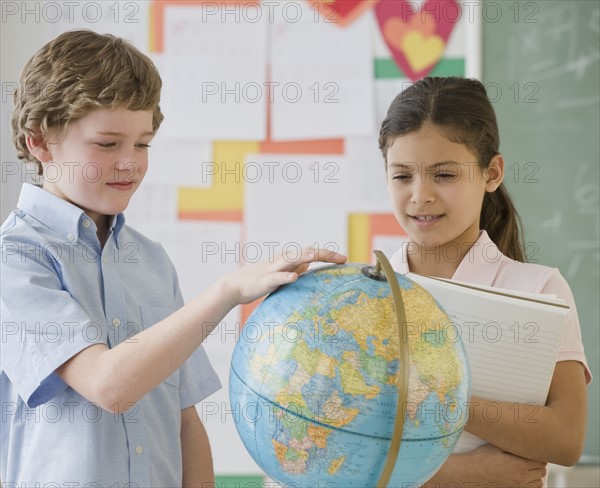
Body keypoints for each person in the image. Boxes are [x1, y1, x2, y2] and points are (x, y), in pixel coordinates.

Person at [0, 30, 346, 486]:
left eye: (142, 144)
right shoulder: (16, 259)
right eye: (107, 144)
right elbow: (109, 385)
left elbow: (184, 421)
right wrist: (228, 291)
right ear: (41, 142)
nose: (130, 163)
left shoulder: (151, 261)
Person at [380, 77, 591, 487]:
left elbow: (566, 440)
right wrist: (465, 475)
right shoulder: (362, 295)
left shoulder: (540, 290)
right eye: (402, 176)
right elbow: (333, 462)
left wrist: (439, 404)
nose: (420, 195)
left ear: (491, 173)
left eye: (444, 175)